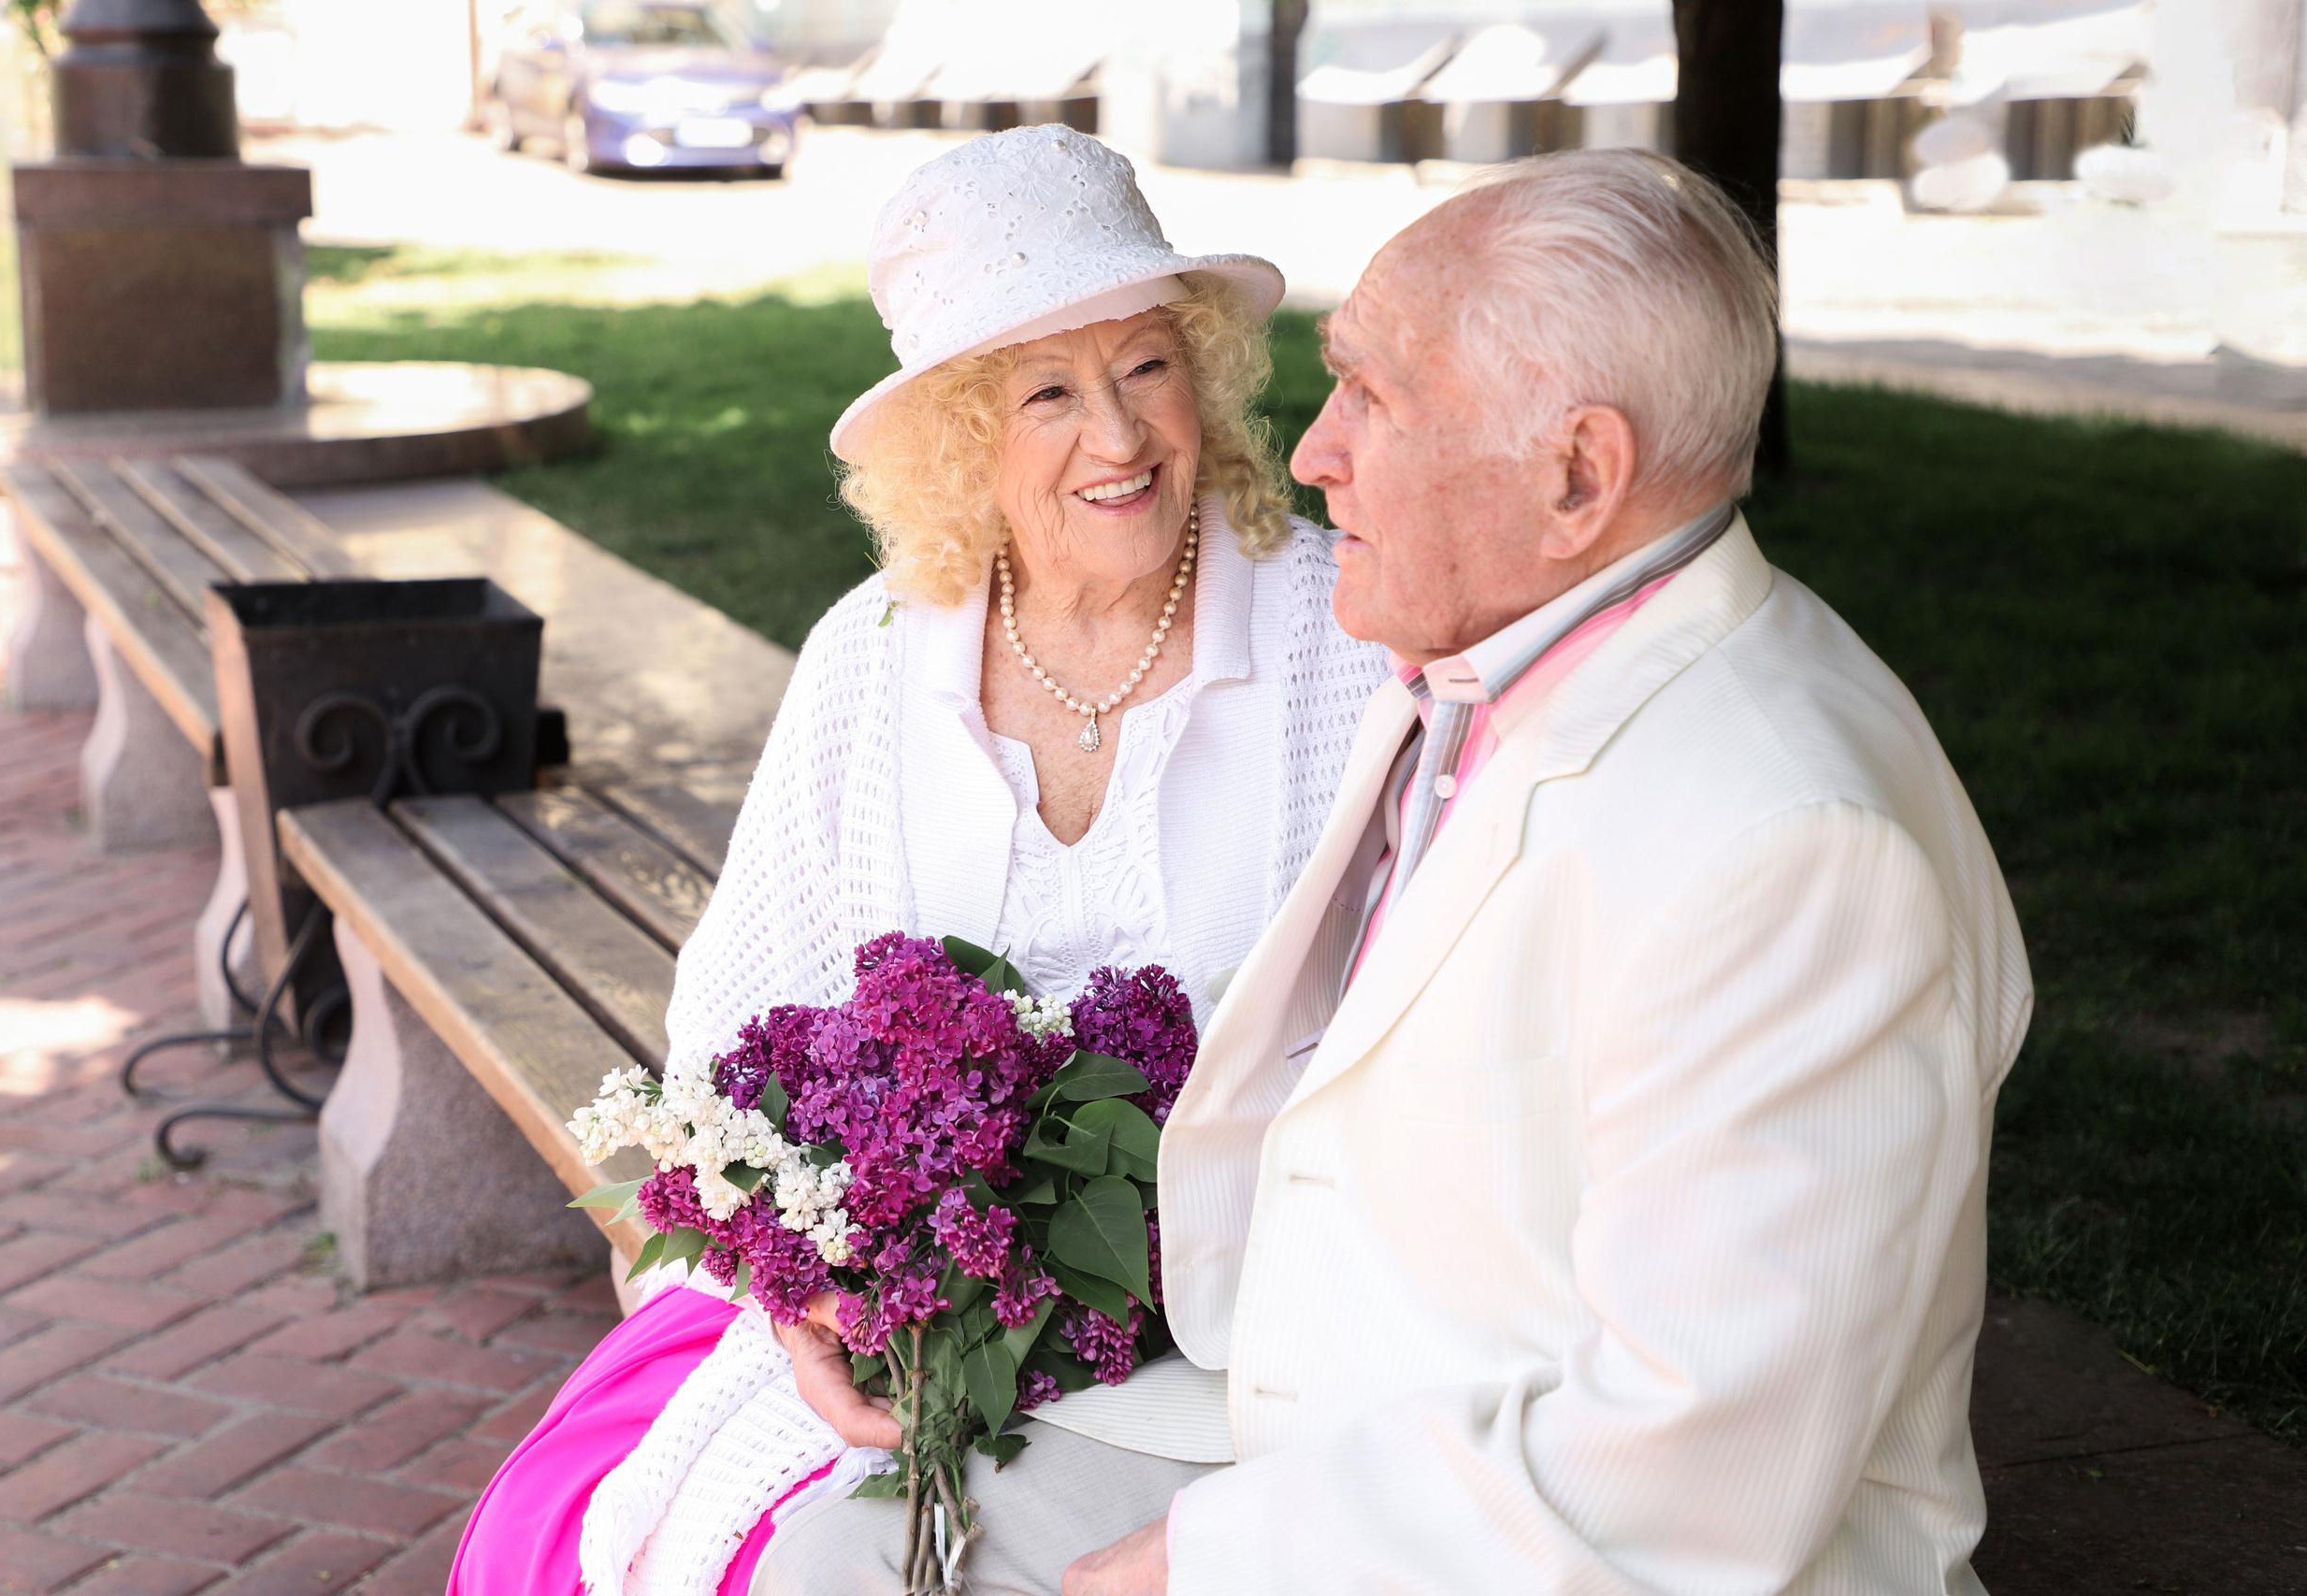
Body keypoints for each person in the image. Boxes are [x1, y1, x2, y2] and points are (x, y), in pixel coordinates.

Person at [767, 150, 2036, 1593]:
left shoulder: (1791, 848)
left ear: (1577, 474)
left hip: (1512, 1533)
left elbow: (1696, 1474)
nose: (1311, 453)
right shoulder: (1483, 661)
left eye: (1371, 396)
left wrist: (1205, 1561)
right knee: (842, 1569)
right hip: (1319, 1415)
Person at [443, 125, 1391, 1596]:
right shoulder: (876, 655)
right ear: (961, 440)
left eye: (1148, 365)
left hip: (1244, 1342)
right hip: (909, 1332)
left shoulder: (1346, 642)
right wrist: (812, 1300)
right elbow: (734, 1038)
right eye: (1049, 392)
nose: (1120, 437)